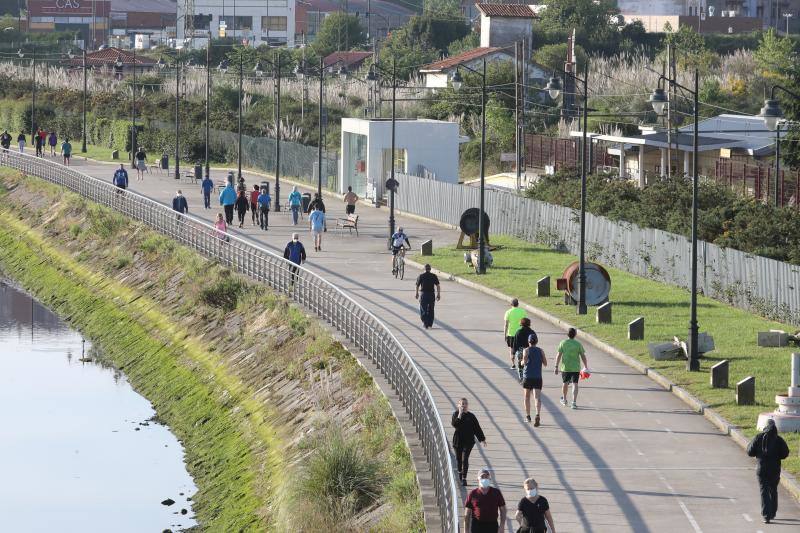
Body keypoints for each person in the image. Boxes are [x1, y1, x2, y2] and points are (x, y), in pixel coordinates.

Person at [747, 419, 790, 524]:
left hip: (761, 469)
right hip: (774, 469)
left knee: (764, 491)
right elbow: (785, 453)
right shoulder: (779, 439)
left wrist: (759, 453)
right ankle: (773, 512)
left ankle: (766, 515)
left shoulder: (758, 437)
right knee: (773, 490)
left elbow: (750, 451)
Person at [451, 398, 486, 487]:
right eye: (462, 404)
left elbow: (477, 428)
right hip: (458, 442)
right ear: (458, 405)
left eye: (465, 404)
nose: (464, 405)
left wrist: (482, 439)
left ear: (467, 405)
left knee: (465, 459)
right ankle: (459, 471)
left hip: (469, 442)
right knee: (458, 460)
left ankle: (464, 478)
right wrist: (459, 414)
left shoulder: (471, 416)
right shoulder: (455, 414)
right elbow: (455, 425)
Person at [554, 328, 588, 409]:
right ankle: (574, 402)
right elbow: (583, 355)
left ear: (567, 334)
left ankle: (565, 399)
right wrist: (586, 366)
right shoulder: (578, 344)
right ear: (575, 335)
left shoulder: (563, 343)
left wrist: (556, 366)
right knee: (575, 384)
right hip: (575, 368)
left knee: (565, 383)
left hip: (565, 367)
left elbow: (558, 355)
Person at [464, 469, 506, 533]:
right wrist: (466, 530)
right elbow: (467, 514)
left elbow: (503, 510)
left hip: (492, 525)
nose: (484, 479)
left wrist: (502, 526)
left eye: (486, 477)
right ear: (478, 479)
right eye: (482, 477)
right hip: (477, 526)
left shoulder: (496, 492)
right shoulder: (472, 494)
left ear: (489, 479)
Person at [522, 333, 547, 426]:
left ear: (528, 342)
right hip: (537, 377)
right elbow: (545, 363)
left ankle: (528, 417)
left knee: (527, 397)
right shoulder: (541, 351)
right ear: (536, 341)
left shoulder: (526, 350)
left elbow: (524, 362)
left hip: (527, 377)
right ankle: (537, 414)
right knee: (537, 397)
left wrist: (521, 361)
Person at [504, 298, 527, 369]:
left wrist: (505, 334)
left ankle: (513, 364)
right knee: (521, 348)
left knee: (511, 349)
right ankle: (521, 362)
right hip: (521, 333)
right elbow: (525, 323)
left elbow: (506, 325)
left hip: (511, 334)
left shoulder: (508, 312)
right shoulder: (523, 311)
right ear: (518, 304)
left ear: (511, 304)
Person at [415, 264, 440, 329]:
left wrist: (416, 293)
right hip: (431, 294)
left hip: (424, 294)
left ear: (424, 269)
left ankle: (425, 323)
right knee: (431, 309)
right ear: (430, 269)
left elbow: (417, 285)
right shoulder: (434, 276)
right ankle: (430, 324)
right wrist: (438, 294)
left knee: (423, 309)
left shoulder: (421, 276)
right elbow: (437, 285)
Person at [512, 317, 536, 381]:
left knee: (520, 364)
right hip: (530, 349)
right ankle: (529, 376)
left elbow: (515, 343)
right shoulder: (532, 332)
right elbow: (535, 341)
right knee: (529, 364)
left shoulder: (519, 332)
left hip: (521, 350)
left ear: (521, 324)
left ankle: (521, 377)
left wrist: (513, 352)